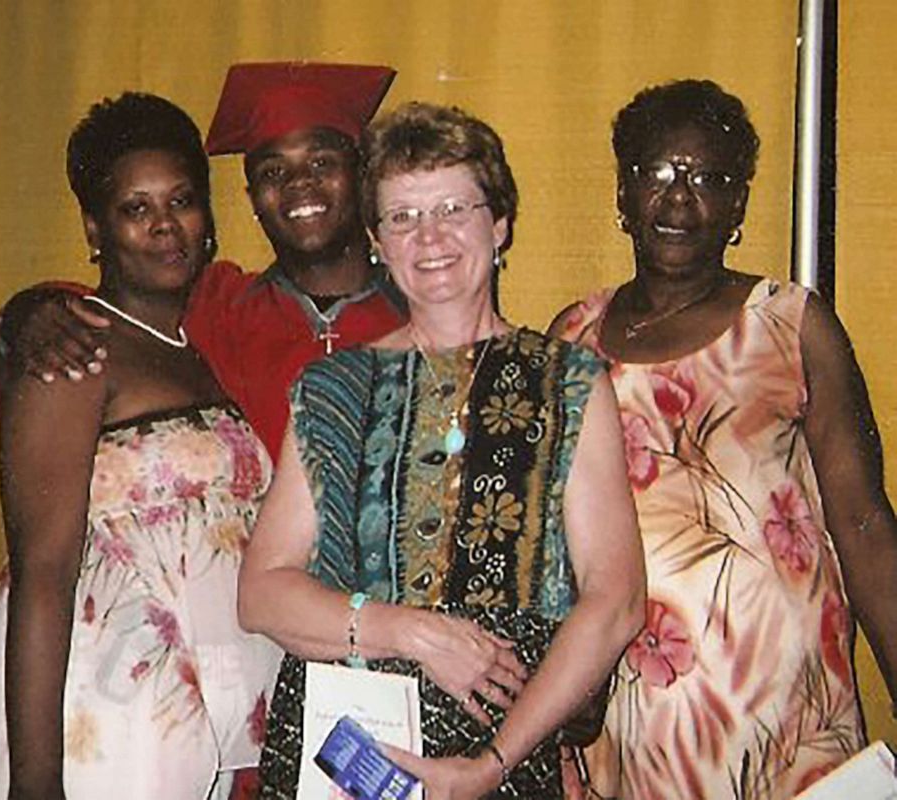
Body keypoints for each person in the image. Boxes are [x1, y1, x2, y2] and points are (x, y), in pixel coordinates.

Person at [239, 101, 646, 799]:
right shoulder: (333, 389)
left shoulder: (570, 382)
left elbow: (616, 601)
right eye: (402, 217)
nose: (430, 237)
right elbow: (262, 594)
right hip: (348, 757)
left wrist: (491, 764)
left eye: (455, 208)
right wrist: (415, 633)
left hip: (502, 755)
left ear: (501, 224)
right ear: (377, 240)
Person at [549, 78, 897, 799]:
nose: (680, 199)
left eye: (709, 178)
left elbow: (864, 524)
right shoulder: (571, 340)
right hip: (623, 720)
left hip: (784, 715)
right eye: (657, 173)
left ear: (738, 204)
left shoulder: (792, 324)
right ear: (622, 193)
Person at [0, 93, 282, 800]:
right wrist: (38, 780)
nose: (166, 226)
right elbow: (42, 572)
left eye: (182, 200)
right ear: (95, 227)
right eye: (136, 208)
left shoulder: (197, 349)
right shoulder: (74, 346)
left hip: (206, 708)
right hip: (107, 708)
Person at [0, 62, 406, 463]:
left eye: (321, 162)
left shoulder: (420, 309)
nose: (298, 182)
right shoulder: (219, 305)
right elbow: (118, 304)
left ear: (362, 179)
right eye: (272, 170)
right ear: (253, 201)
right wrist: (27, 311)